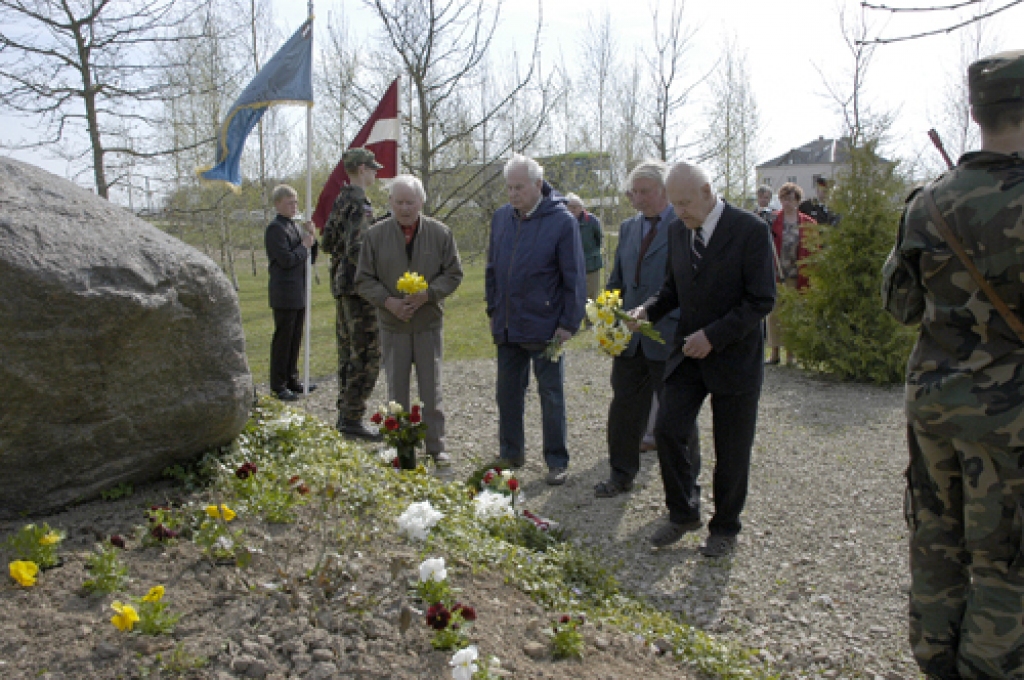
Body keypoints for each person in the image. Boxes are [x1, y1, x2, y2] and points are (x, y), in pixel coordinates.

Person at [882, 50, 1024, 679]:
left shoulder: (926, 202)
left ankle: (936, 662)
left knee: (936, 542)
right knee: (1005, 557)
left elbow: (900, 305)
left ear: (974, 111)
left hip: (934, 404)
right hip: (1010, 417)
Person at [630, 162, 775, 557]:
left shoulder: (750, 231)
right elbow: (671, 291)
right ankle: (683, 513)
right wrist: (647, 311)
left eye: (685, 203)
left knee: (732, 449)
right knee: (668, 430)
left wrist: (713, 336)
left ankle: (725, 527)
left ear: (708, 191)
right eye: (674, 204)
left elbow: (762, 300)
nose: (679, 212)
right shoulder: (678, 231)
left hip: (734, 357)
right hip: (688, 355)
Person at [595, 160, 699, 498]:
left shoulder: (683, 226)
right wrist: (608, 316)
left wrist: (667, 321)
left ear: (664, 191)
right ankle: (621, 474)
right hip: (630, 339)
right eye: (634, 192)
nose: (637, 198)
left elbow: (689, 285)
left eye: (645, 192)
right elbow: (618, 280)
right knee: (624, 409)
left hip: (666, 336)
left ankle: (686, 488)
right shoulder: (628, 228)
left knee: (676, 415)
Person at [485, 153, 586, 486]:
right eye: (509, 187)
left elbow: (574, 276)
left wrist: (569, 323)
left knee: (551, 394)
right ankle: (511, 452)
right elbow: (491, 270)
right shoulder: (501, 218)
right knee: (507, 393)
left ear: (538, 185)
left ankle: (556, 459)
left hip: (546, 325)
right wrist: (493, 311)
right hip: (508, 324)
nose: (513, 194)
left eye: (519, 187)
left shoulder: (562, 221)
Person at [355, 175, 464, 467]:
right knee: (396, 390)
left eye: (410, 202)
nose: (404, 208)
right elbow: (363, 279)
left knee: (431, 388)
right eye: (399, 202)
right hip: (393, 326)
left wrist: (429, 294)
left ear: (421, 202)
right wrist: (388, 302)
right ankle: (401, 447)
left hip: (427, 323)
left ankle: (435, 446)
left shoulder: (440, 233)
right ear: (390, 202)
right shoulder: (375, 236)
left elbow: (454, 274)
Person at [322, 148, 384, 441]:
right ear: (361, 168)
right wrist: (376, 279)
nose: (375, 173)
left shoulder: (342, 198)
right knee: (368, 354)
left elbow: (327, 242)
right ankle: (352, 417)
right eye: (372, 168)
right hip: (359, 289)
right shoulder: (359, 203)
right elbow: (357, 248)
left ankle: (345, 414)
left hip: (342, 285)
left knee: (348, 353)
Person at [265, 185, 318, 401]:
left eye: (296, 202)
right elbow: (286, 259)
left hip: (299, 291)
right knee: (283, 339)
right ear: (278, 204)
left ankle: (292, 378)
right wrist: (304, 246)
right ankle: (278, 384)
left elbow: (309, 258)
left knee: (295, 338)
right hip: (284, 292)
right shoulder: (276, 228)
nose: (294, 206)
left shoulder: (294, 227)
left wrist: (311, 238)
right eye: (290, 202)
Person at [766, 182, 817, 365]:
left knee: (793, 314)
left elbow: (814, 249)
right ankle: (774, 353)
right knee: (774, 313)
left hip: (797, 275)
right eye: (783, 199)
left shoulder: (808, 223)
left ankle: (791, 354)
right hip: (777, 274)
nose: (787, 202)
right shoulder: (772, 221)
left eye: (790, 199)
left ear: (797, 200)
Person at [565, 193, 604, 304]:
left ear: (581, 208)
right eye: (569, 207)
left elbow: (599, 239)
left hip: (591, 265)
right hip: (571, 266)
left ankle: (590, 321)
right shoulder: (563, 221)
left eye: (575, 207)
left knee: (591, 298)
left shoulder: (592, 221)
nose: (572, 209)